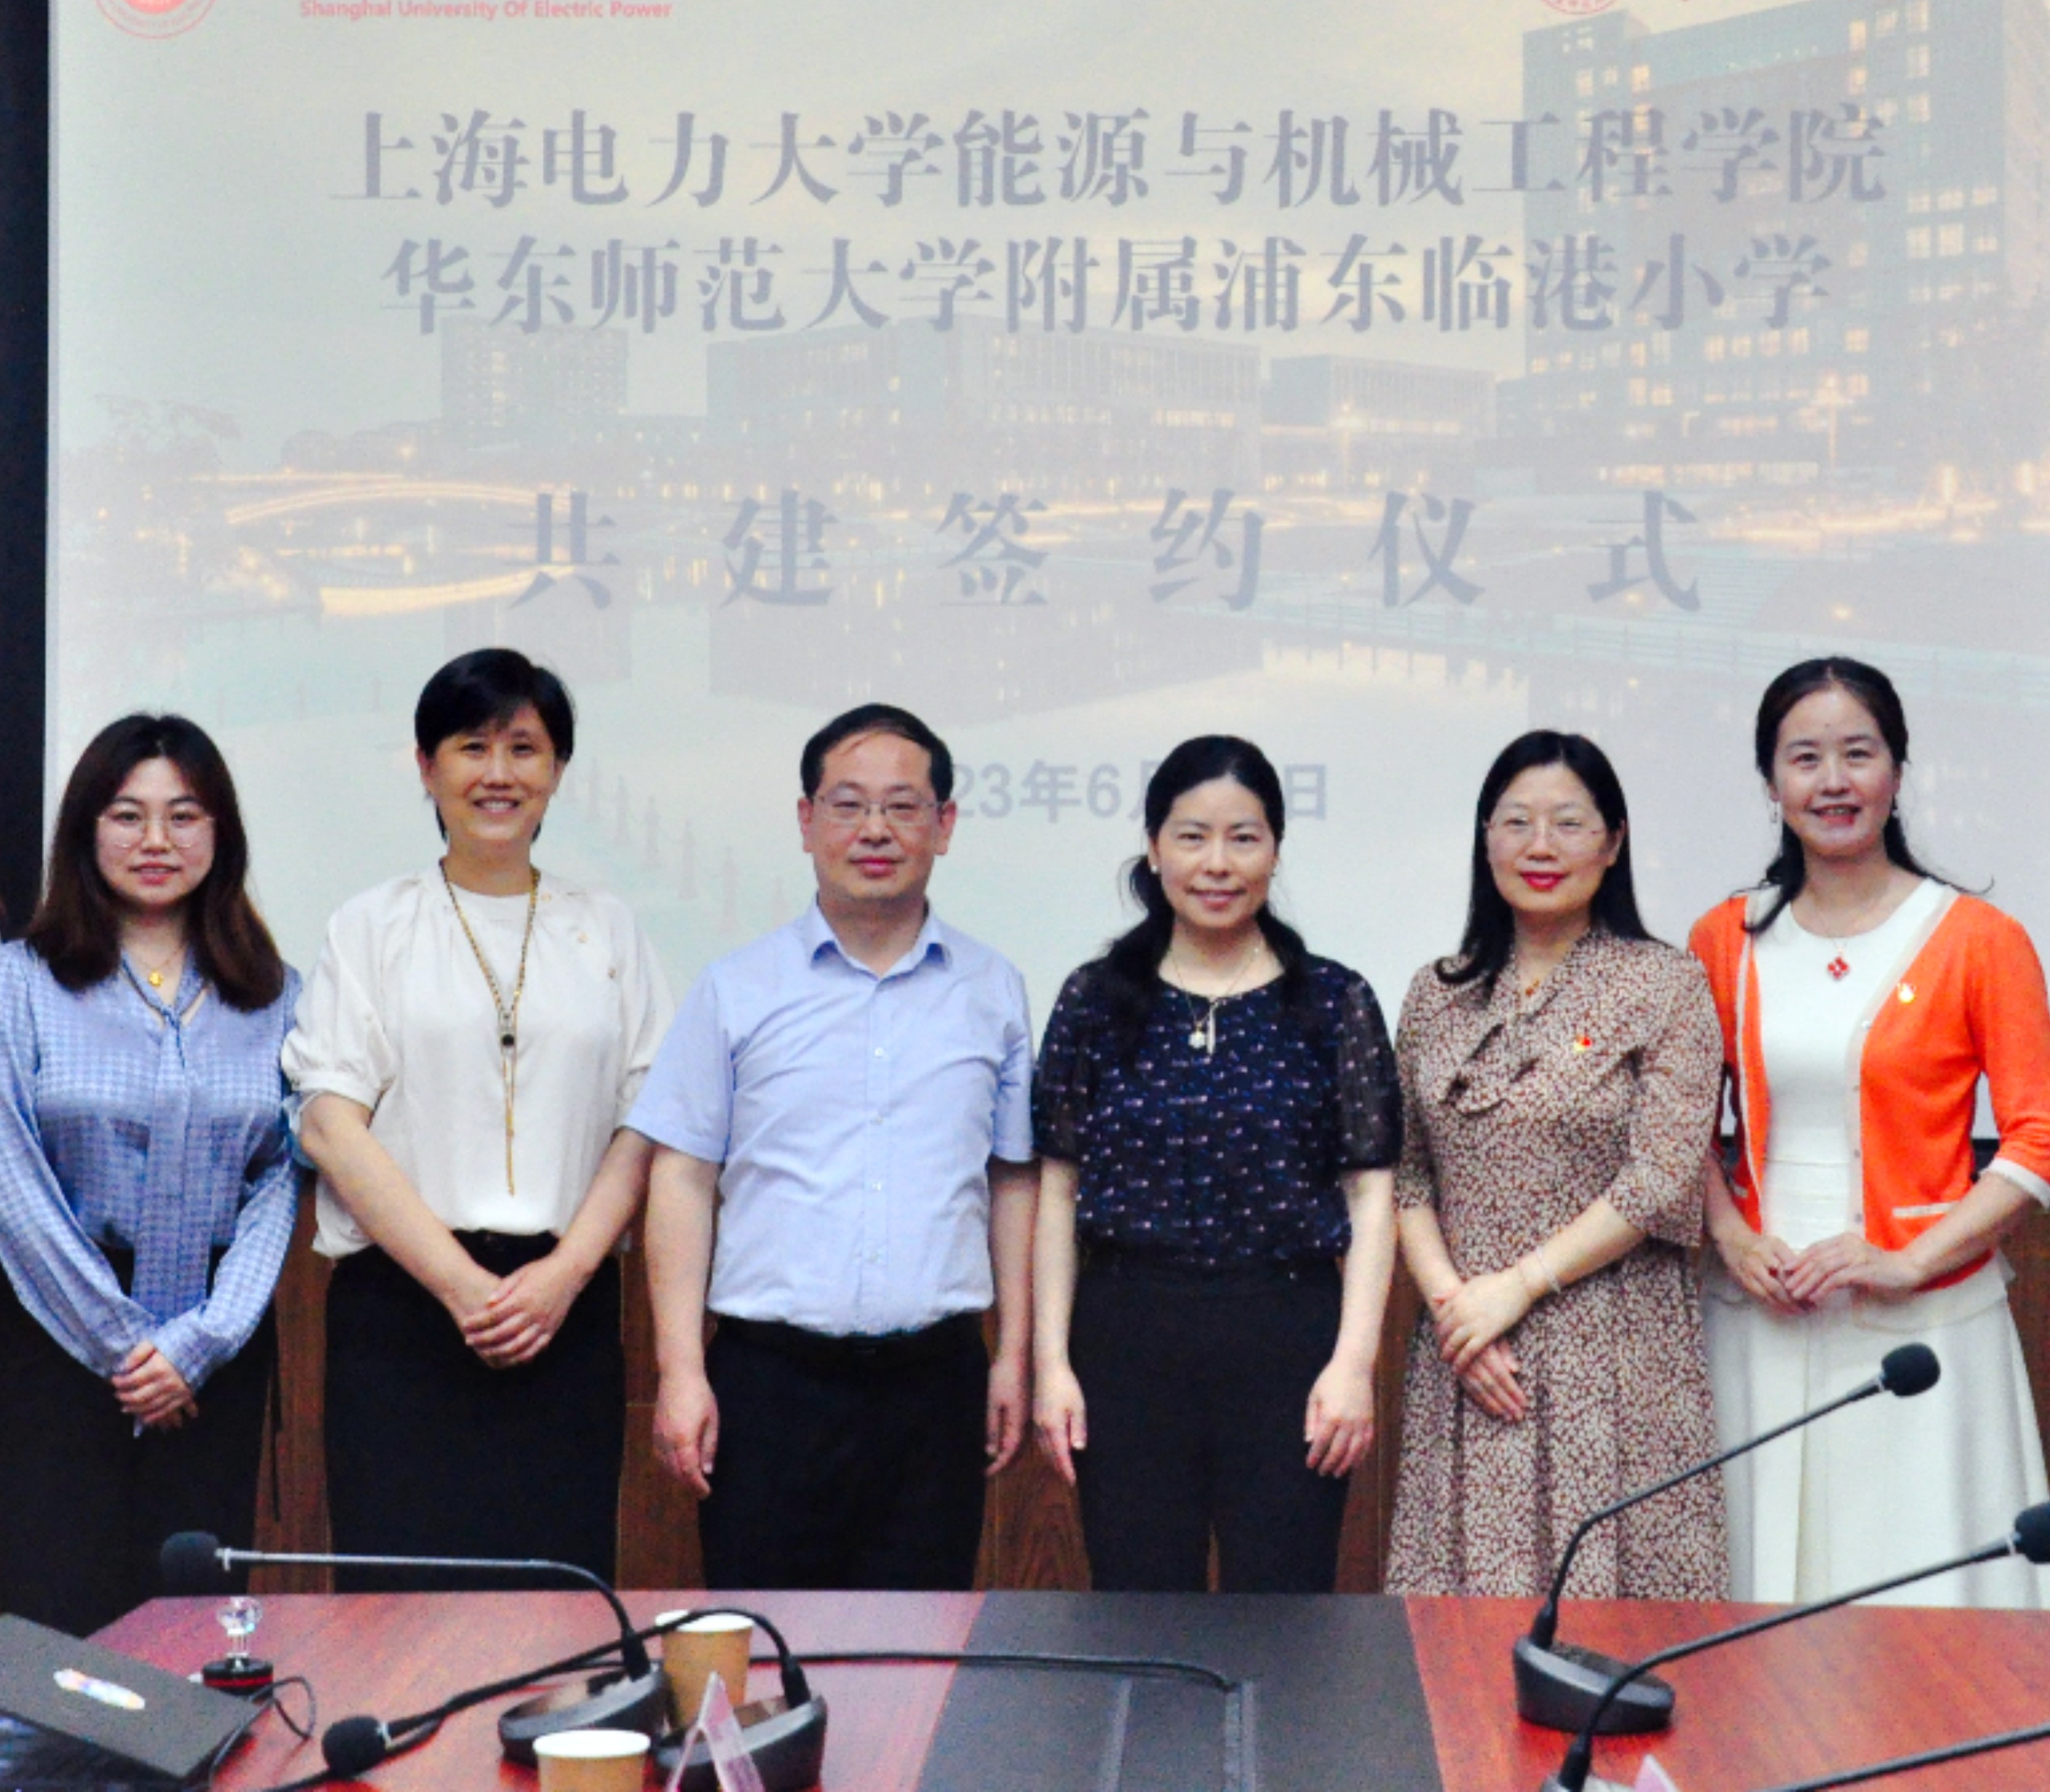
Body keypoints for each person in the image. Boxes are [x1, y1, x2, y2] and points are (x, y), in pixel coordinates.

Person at [1691, 655, 2050, 1609]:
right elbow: (1680, 1125)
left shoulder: (1979, 936)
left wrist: (1907, 1260)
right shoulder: (1722, 937)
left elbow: (2040, 1140)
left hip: (1923, 1315)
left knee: (1917, 1592)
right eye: (1804, 758)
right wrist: (1732, 1238)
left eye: (1857, 753)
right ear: (1770, 781)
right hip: (1759, 1305)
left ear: (1898, 771)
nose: (1833, 781)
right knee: (1755, 1588)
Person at [284, 650, 669, 1585]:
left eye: (524, 748)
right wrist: (461, 1285)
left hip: (564, 1312)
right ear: (426, 766)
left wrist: (564, 1274)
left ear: (558, 770)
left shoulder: (608, 926)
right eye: (471, 747)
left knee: (559, 1601)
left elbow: (648, 1121)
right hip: (404, 1311)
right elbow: (330, 1123)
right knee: (396, 1607)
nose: (499, 774)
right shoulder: (372, 924)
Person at [631, 703, 1035, 1590]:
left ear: (945, 825)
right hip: (770, 1384)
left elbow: (1012, 1180)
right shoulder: (735, 989)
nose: (875, 830)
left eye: (903, 806)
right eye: (848, 805)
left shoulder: (994, 991)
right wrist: (681, 1371)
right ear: (807, 821)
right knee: (767, 1643)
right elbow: (683, 1179)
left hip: (937, 1384)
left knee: (919, 1645)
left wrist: (1011, 1355)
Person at [1028, 737, 1400, 1593]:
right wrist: (1052, 1365)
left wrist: (1353, 1364)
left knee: (1285, 1614)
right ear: (1154, 848)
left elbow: (1371, 1195)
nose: (1218, 864)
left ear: (1275, 850)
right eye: (1192, 837)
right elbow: (1057, 1190)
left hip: (1288, 1337)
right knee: (1137, 1612)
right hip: (1126, 1338)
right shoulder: (1096, 998)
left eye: (1244, 837)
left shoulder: (1332, 1000)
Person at [0, 713, 300, 1635]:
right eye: (127, 815)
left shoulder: (275, 993)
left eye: (183, 815)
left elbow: (280, 1180)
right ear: (85, 829)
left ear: (221, 833)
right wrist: (122, 1344)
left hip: (216, 1344)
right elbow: (9, 1181)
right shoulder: (22, 980)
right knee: (60, 1618)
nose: (156, 840)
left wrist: (198, 1344)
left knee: (193, 1623)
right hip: (60, 1332)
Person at [1385, 731, 1728, 1599]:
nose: (1541, 847)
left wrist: (1519, 1286)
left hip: (1611, 1344)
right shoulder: (1436, 991)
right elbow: (1407, 1174)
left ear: (1613, 843)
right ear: (1485, 839)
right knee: (1460, 1630)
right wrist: (1458, 1311)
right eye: (1517, 822)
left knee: (1615, 1626)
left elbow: (1660, 1179)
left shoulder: (1666, 984)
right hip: (1469, 1351)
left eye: (1569, 823)